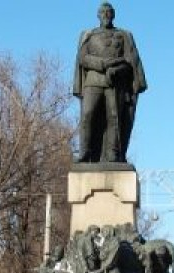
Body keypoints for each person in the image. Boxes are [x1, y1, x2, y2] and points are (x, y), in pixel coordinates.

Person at [73, 2, 147, 163]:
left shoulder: (124, 35)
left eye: (109, 12)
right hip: (93, 81)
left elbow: (130, 62)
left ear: (113, 15)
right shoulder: (88, 35)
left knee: (114, 117)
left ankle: (113, 153)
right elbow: (82, 58)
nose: (106, 15)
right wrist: (104, 64)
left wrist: (117, 69)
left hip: (115, 83)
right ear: (98, 15)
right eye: (103, 12)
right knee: (87, 115)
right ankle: (85, 153)